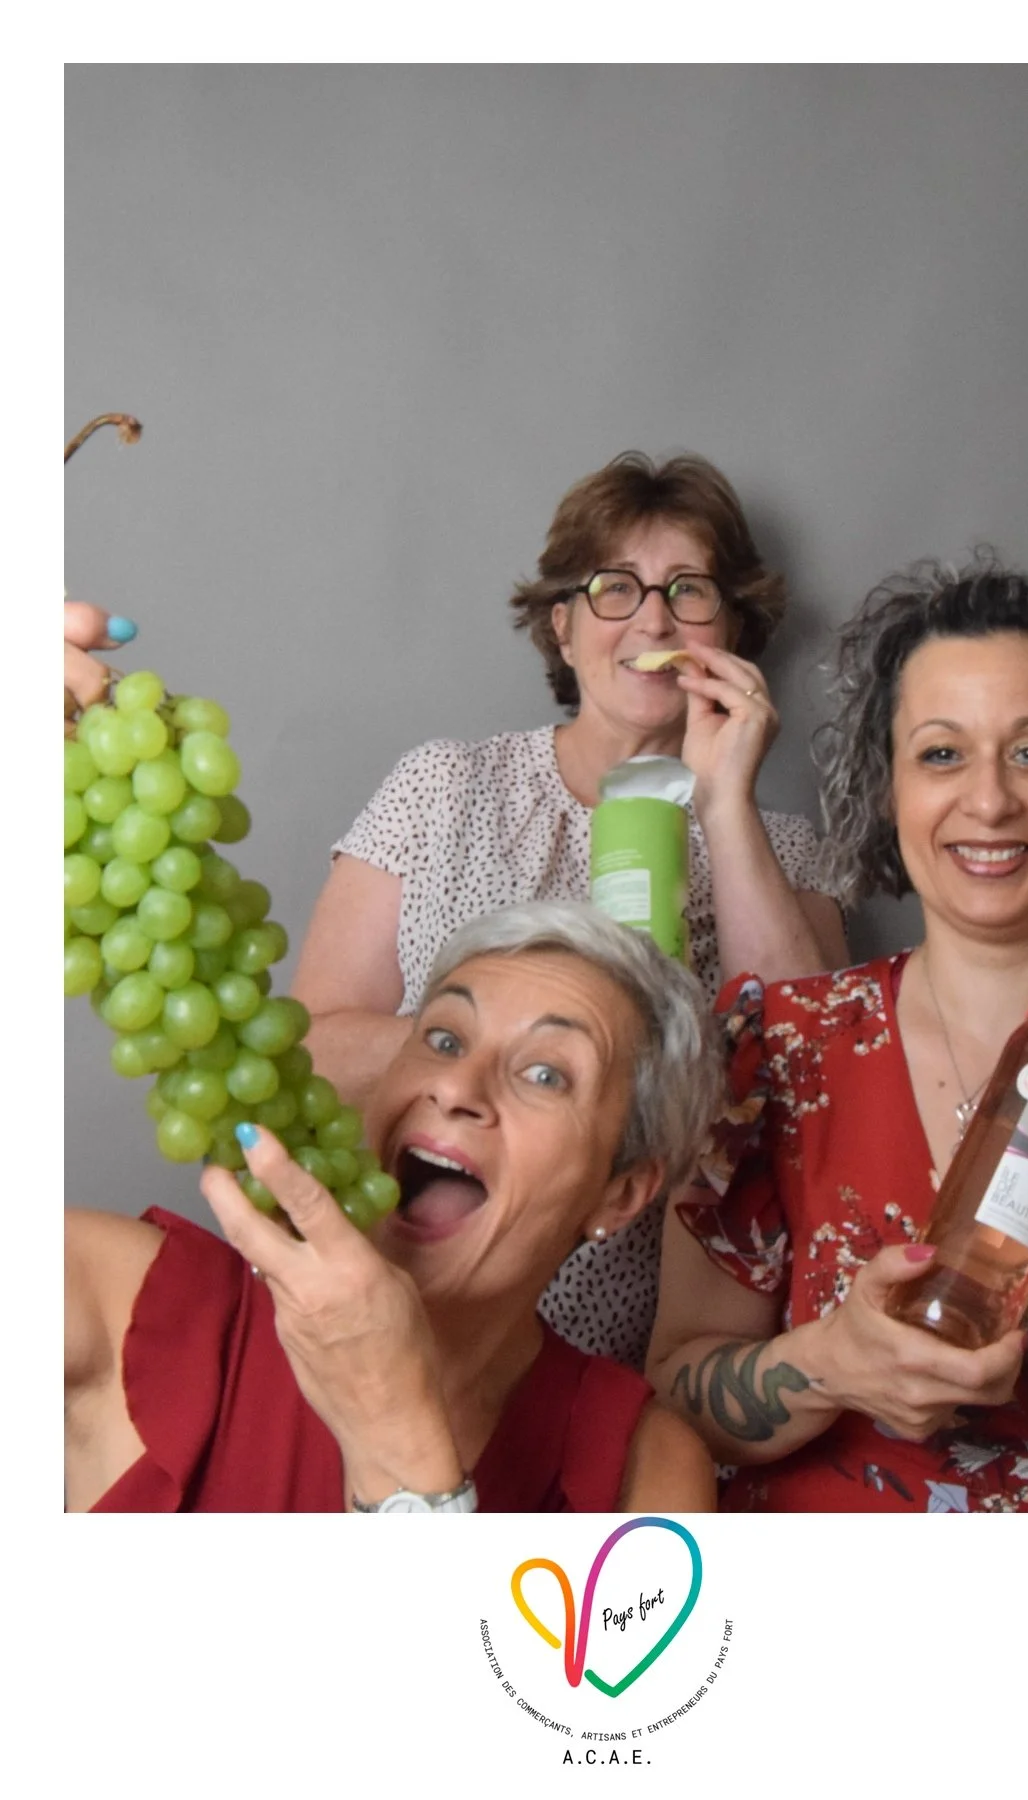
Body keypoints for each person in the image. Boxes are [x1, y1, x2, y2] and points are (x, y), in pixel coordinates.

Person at [292, 452, 847, 1367]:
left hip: (629, 1361)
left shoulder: (782, 849)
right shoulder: (445, 787)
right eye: (615, 588)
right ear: (562, 623)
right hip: (396, 1299)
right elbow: (309, 1050)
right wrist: (521, 1057)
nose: (654, 618)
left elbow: (815, 1097)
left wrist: (724, 804)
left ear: (735, 629)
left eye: (691, 590)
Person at [647, 557, 1028, 1512]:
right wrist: (827, 1366)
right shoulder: (776, 1049)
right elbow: (674, 1386)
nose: (989, 801)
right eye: (942, 754)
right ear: (887, 789)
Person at [65, 895, 723, 1513]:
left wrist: (392, 1426)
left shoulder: (644, 1471)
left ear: (621, 1193)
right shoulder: (131, 1301)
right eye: (443, 1040)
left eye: (546, 1074)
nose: (456, 1085)